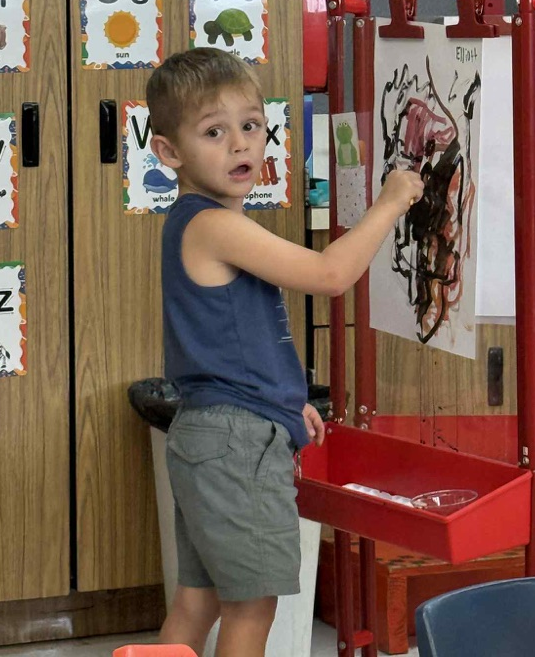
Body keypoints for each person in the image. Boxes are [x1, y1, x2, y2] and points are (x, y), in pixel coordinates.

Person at [146, 48, 424, 657]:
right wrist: (391, 200)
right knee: (251, 605)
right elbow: (329, 274)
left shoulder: (207, 222)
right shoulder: (212, 224)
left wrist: (284, 403)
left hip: (215, 430)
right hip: (232, 443)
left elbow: (231, 344)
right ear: (170, 153)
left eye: (250, 125)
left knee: (200, 599)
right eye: (214, 132)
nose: (240, 145)